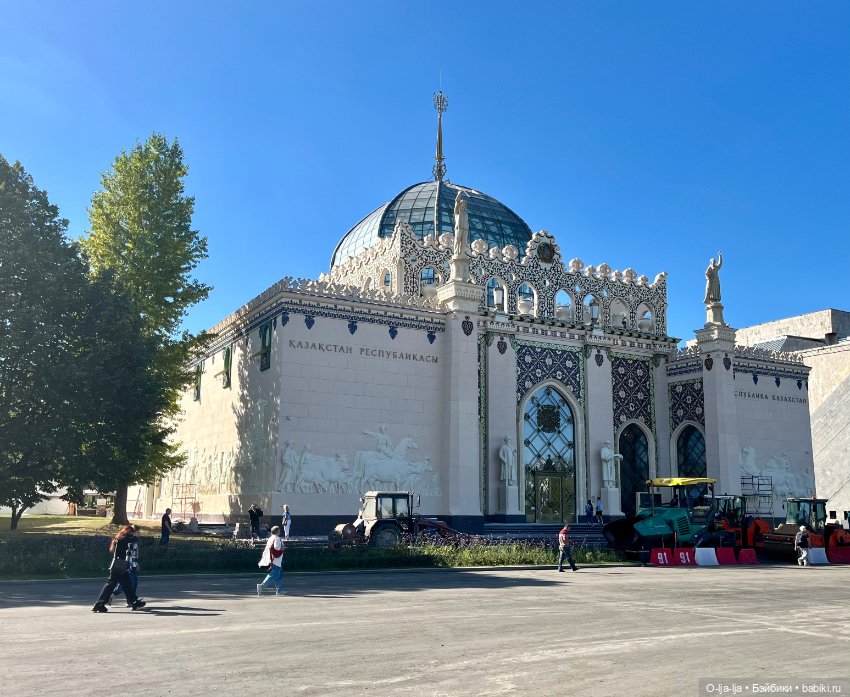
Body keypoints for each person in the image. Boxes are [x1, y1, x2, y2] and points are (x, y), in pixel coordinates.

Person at [91, 525, 146, 612]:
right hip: (119, 565)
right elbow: (134, 539)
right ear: (129, 532)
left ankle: (134, 602)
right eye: (133, 532)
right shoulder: (124, 538)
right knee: (111, 584)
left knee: (127, 585)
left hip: (120, 565)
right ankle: (99, 604)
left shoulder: (120, 538)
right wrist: (133, 535)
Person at [111, 525, 141, 605]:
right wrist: (131, 565)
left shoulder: (131, 540)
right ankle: (131, 601)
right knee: (129, 583)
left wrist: (136, 564)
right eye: (138, 532)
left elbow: (135, 554)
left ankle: (131, 600)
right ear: (133, 532)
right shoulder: (130, 541)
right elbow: (129, 554)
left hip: (132, 564)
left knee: (129, 583)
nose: (139, 534)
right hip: (129, 565)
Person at [256, 526, 286, 596]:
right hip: (276, 559)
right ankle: (261, 586)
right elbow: (277, 547)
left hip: (272, 559)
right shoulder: (277, 538)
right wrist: (282, 548)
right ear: (277, 531)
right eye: (279, 531)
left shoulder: (271, 538)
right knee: (274, 574)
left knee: (278, 575)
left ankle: (279, 590)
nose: (279, 532)